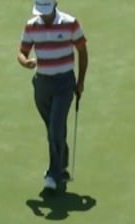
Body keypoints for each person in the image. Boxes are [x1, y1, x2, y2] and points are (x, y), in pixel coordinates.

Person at [18, 0, 88, 192]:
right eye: (40, 12)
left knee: (54, 129)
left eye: (46, 12)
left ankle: (53, 174)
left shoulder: (70, 23)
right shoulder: (31, 26)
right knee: (53, 128)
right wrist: (25, 62)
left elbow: (82, 50)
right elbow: (22, 52)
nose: (43, 15)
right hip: (42, 84)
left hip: (64, 84)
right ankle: (62, 162)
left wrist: (80, 81)